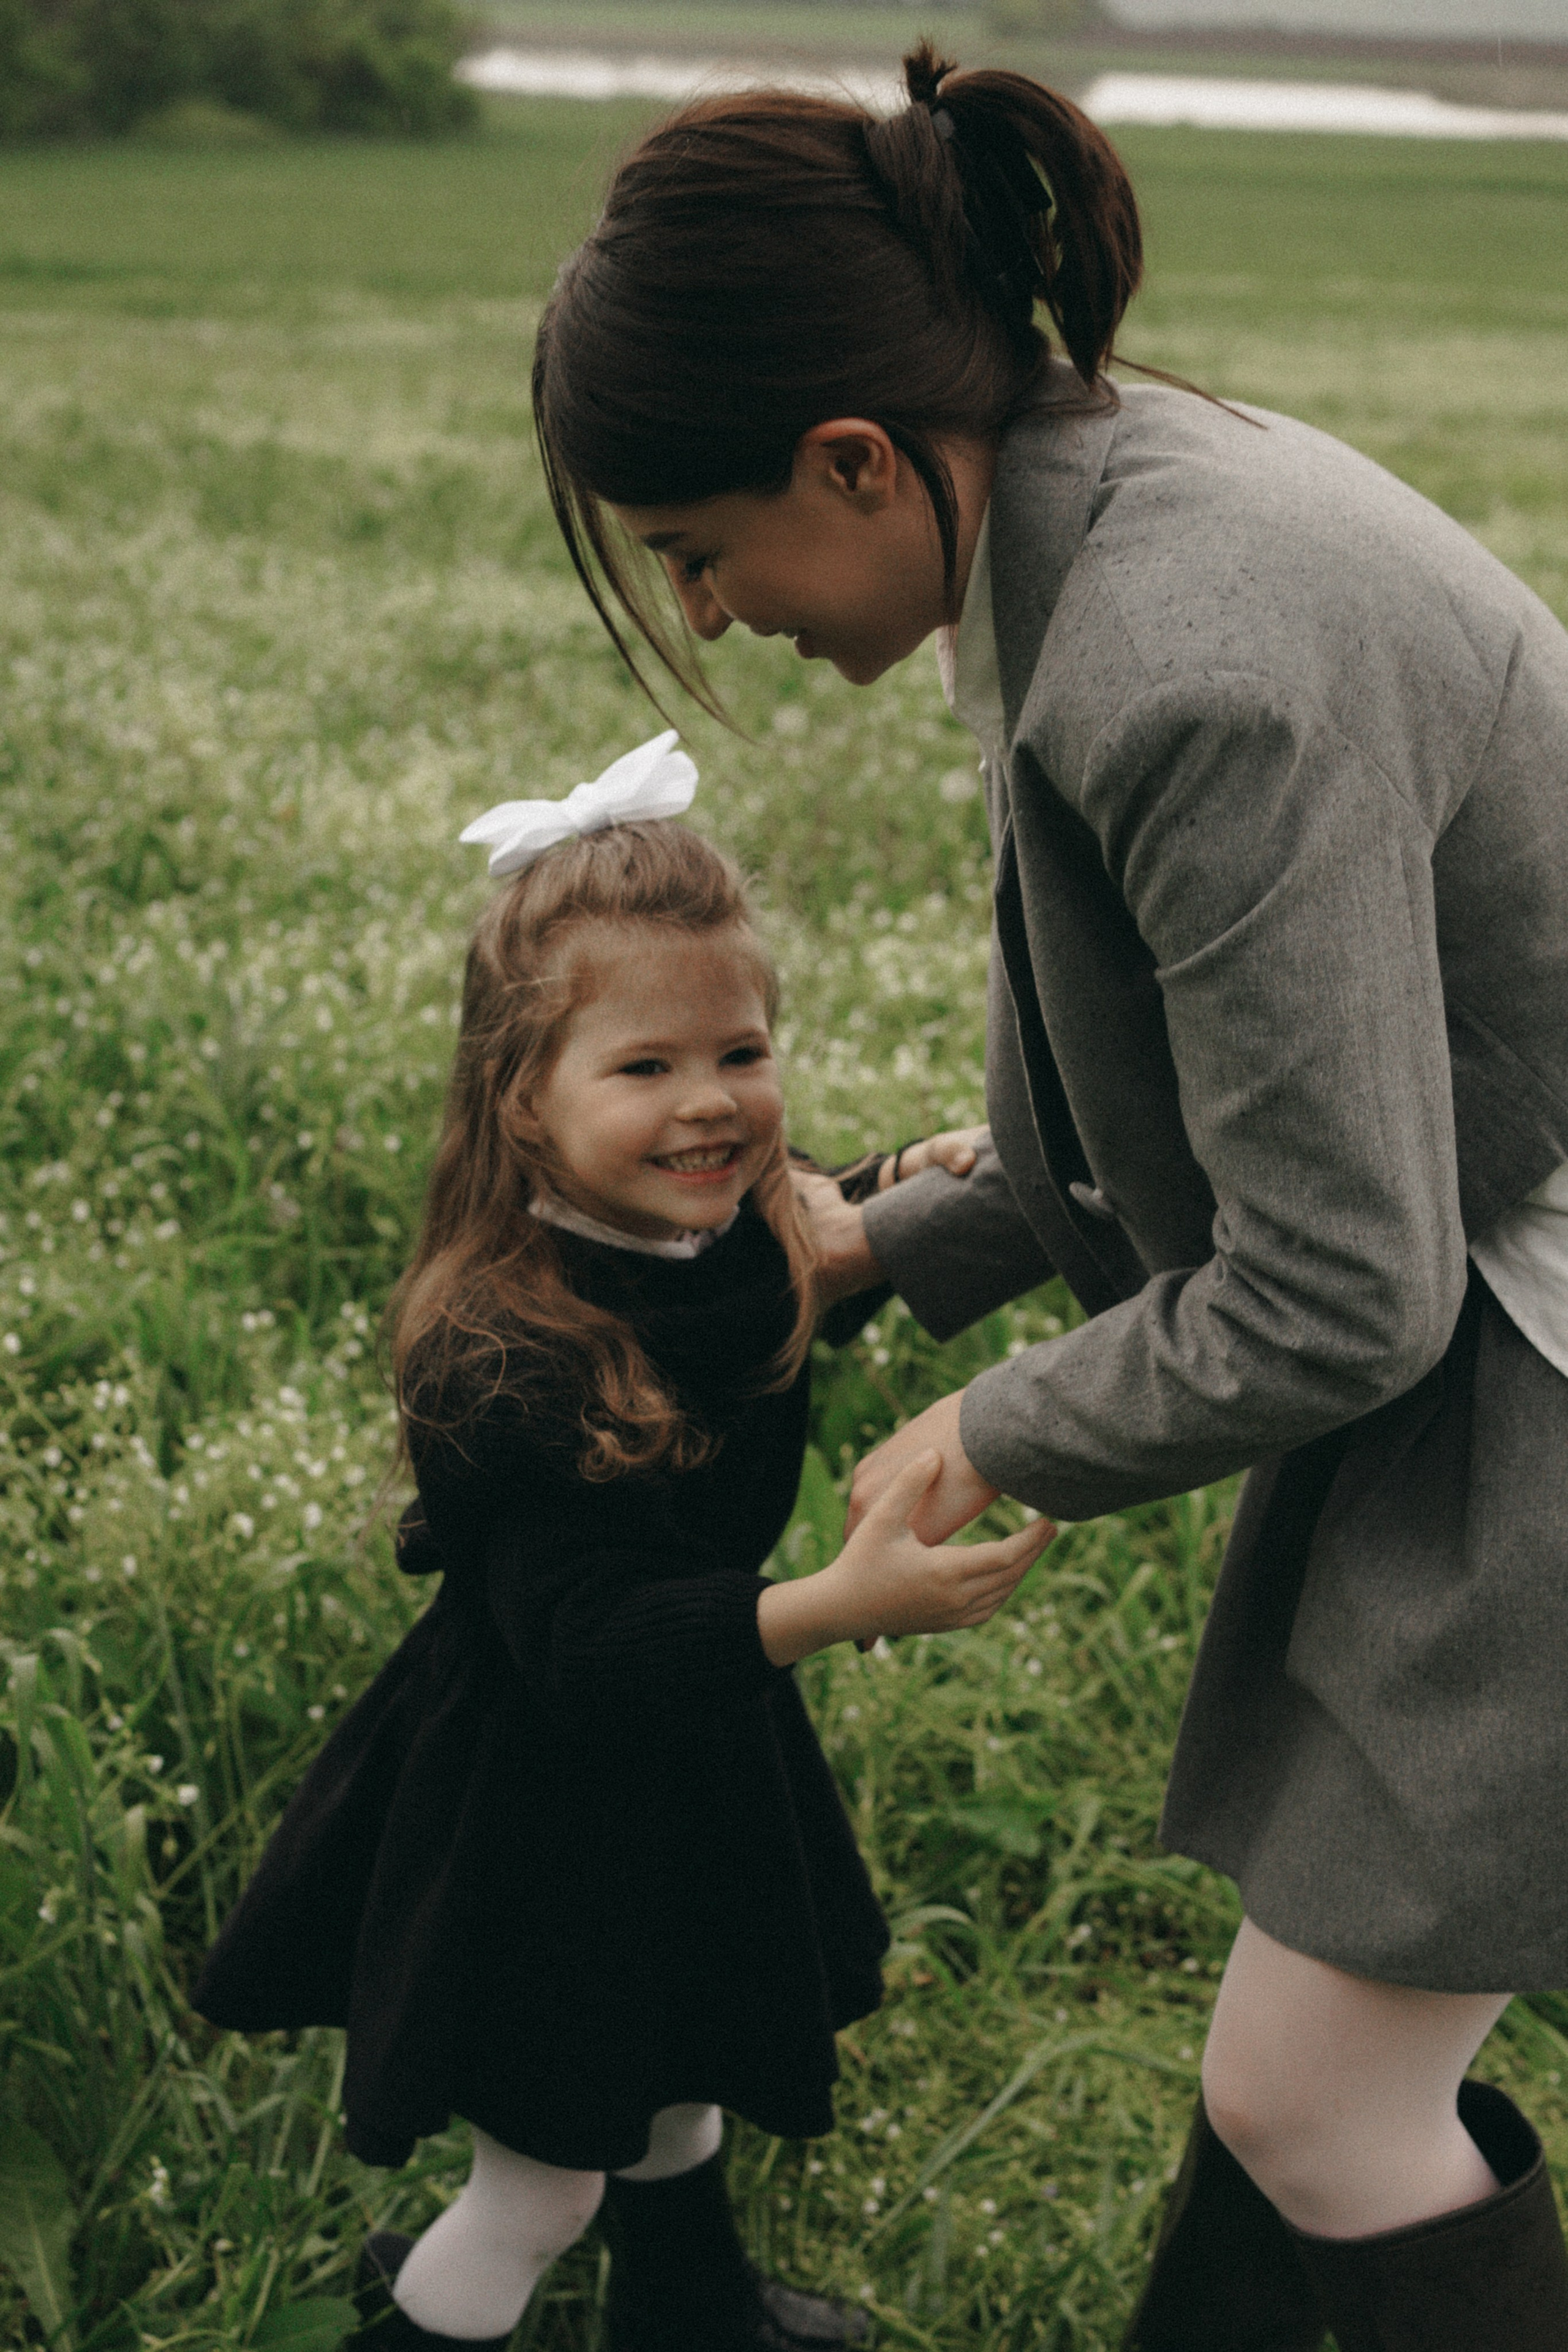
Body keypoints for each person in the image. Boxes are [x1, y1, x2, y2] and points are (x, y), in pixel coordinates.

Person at [528, 41, 1568, 2352]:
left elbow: (1337, 1281)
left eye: (704, 551)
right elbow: (1227, 1088)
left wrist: (993, 1428)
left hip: (1535, 1337)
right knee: (1315, 2054)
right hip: (1492, 1278)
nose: (708, 614)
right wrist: (894, 1239)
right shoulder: (1101, 516)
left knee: (1320, 2094)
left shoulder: (1192, 660)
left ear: (860, 461)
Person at [194, 733, 1049, 2352]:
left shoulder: (711, 1226)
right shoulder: (499, 1347)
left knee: (681, 2075)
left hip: (691, 1758)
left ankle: (694, 2309)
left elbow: (762, 1277)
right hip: (545, 1798)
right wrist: (826, 1602)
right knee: (545, 2182)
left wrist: (893, 1183)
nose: (711, 1102)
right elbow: (579, 1644)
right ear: (521, 1097)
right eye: (645, 1070)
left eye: (740, 1050)